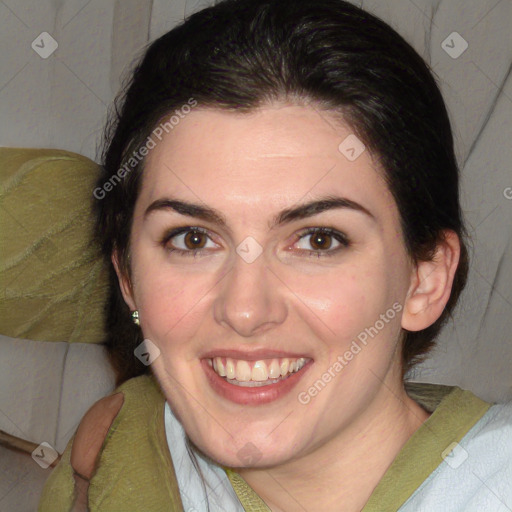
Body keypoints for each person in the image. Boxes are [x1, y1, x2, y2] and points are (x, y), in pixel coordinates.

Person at [39, 0, 512, 510]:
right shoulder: (114, 451)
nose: (244, 309)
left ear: (426, 280)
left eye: (319, 240)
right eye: (193, 239)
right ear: (127, 276)